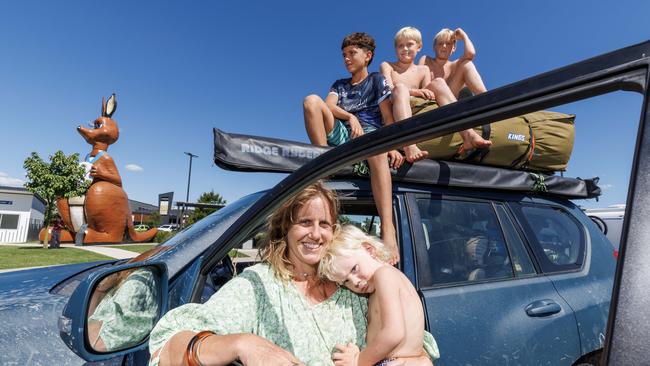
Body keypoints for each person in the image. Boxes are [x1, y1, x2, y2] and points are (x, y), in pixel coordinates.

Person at [148, 182, 438, 366]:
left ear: (334, 231)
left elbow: (407, 339)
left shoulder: (358, 285)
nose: (315, 233)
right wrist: (242, 344)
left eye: (324, 223)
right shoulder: (258, 286)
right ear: (284, 229)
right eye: (304, 222)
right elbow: (171, 345)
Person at [303, 32, 401, 263]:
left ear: (367, 56)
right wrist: (350, 116)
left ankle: (388, 229)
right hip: (344, 135)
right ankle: (325, 167)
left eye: (352, 53)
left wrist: (394, 146)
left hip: (370, 137)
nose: (346, 59)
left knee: (376, 146)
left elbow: (387, 116)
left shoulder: (376, 80)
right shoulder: (340, 85)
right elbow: (327, 105)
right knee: (311, 101)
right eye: (344, 55)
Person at [319, 225, 425, 366]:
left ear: (369, 250)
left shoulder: (385, 275)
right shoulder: (380, 283)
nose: (355, 282)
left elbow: (394, 333)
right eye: (346, 281)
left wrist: (358, 361)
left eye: (354, 269)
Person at [383, 27, 490, 157]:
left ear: (419, 46)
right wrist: (414, 91)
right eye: (400, 45)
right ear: (395, 49)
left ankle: (468, 134)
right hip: (399, 104)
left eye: (409, 44)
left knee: (438, 81)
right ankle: (409, 145)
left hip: (419, 108)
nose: (405, 49)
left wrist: (423, 92)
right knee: (400, 87)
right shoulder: (387, 66)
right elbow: (387, 90)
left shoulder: (423, 70)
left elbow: (429, 95)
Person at [418, 28, 487, 98]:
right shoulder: (426, 60)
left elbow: (470, 53)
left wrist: (464, 36)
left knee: (467, 64)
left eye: (448, 43)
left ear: (453, 48)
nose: (444, 46)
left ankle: (487, 98)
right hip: (431, 100)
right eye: (440, 43)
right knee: (439, 83)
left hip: (450, 99)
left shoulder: (454, 65)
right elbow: (419, 81)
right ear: (434, 47)